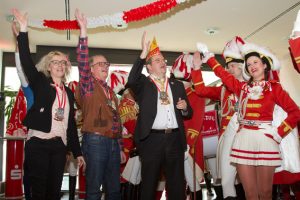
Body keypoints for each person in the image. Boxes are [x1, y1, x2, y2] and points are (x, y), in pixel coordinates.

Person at [197, 41, 300, 199]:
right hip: (243, 139)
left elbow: (295, 112)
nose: (252, 66)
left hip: (266, 140)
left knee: (265, 192)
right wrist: (209, 57)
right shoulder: (242, 88)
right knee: (249, 193)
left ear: (265, 65)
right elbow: (223, 75)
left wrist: (278, 132)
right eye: (249, 64)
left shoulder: (275, 88)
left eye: (255, 62)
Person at [12, 9, 85, 200]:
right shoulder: (41, 83)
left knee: (54, 192)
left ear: (67, 67)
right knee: (39, 192)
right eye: (55, 62)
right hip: (38, 144)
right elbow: (27, 62)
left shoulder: (68, 93)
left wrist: (77, 152)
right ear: (48, 66)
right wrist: (24, 30)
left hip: (59, 147)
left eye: (63, 62)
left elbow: (70, 125)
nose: (59, 65)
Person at [126, 32, 192, 200]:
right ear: (148, 67)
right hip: (151, 140)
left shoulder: (176, 85)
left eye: (163, 60)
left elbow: (188, 113)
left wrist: (185, 108)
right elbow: (132, 79)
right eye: (157, 60)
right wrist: (143, 53)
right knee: (149, 184)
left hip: (175, 139)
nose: (162, 62)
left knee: (177, 185)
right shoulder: (144, 84)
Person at [75, 9, 126, 200]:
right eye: (101, 64)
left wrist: (120, 146)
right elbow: (81, 59)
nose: (105, 67)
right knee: (94, 189)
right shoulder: (88, 85)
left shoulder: (111, 91)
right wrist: (83, 31)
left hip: (113, 142)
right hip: (95, 141)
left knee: (114, 190)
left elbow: (116, 121)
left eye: (107, 64)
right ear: (91, 69)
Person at [192, 37, 247, 200]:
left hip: (247, 138)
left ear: (242, 67)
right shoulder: (223, 90)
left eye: (232, 66)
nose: (229, 69)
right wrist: (196, 68)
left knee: (248, 180)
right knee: (227, 180)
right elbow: (200, 90)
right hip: (227, 138)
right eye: (227, 67)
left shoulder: (251, 87)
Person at [171, 52, 206, 200]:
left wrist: (187, 144)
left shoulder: (197, 95)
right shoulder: (172, 94)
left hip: (189, 143)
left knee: (193, 183)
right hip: (173, 142)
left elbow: (196, 122)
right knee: (175, 180)